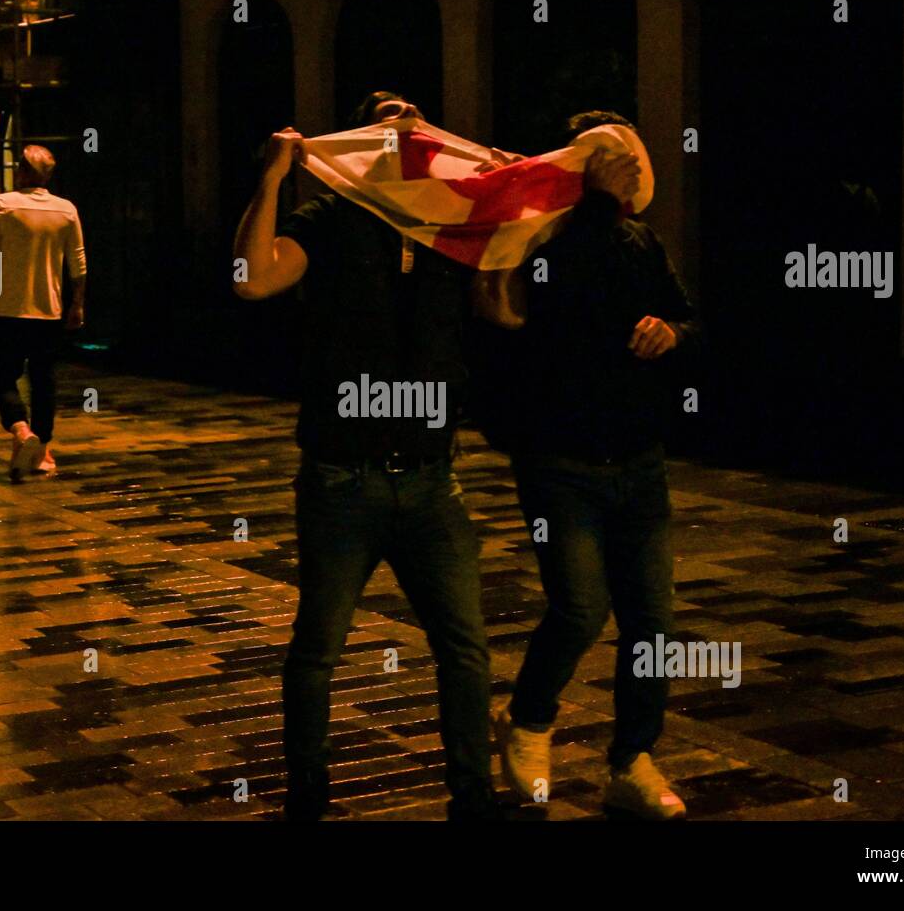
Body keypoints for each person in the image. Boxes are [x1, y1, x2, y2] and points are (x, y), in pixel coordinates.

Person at [232, 92, 513, 821]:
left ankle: (473, 796)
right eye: (385, 117)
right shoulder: (329, 221)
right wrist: (272, 178)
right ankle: (309, 794)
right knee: (318, 647)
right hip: (342, 479)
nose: (404, 126)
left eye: (414, 117)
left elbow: (506, 310)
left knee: (467, 650)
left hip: (431, 479)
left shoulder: (446, 225)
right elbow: (253, 278)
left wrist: (511, 214)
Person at [481, 111, 702, 820]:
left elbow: (686, 315)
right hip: (560, 460)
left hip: (637, 460)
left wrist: (673, 332)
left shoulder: (639, 239)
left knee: (653, 623)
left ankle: (632, 758)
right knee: (579, 605)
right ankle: (530, 719)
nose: (627, 173)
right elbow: (556, 296)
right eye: (609, 162)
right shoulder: (545, 240)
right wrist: (592, 205)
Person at [0, 145, 86, 482]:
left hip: (6, 310)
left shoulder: (1, 205)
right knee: (44, 382)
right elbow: (78, 263)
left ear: (21, 170)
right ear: (48, 175)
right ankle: (42, 449)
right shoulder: (66, 210)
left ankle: (21, 429)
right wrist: (77, 303)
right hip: (49, 310)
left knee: (2, 376)